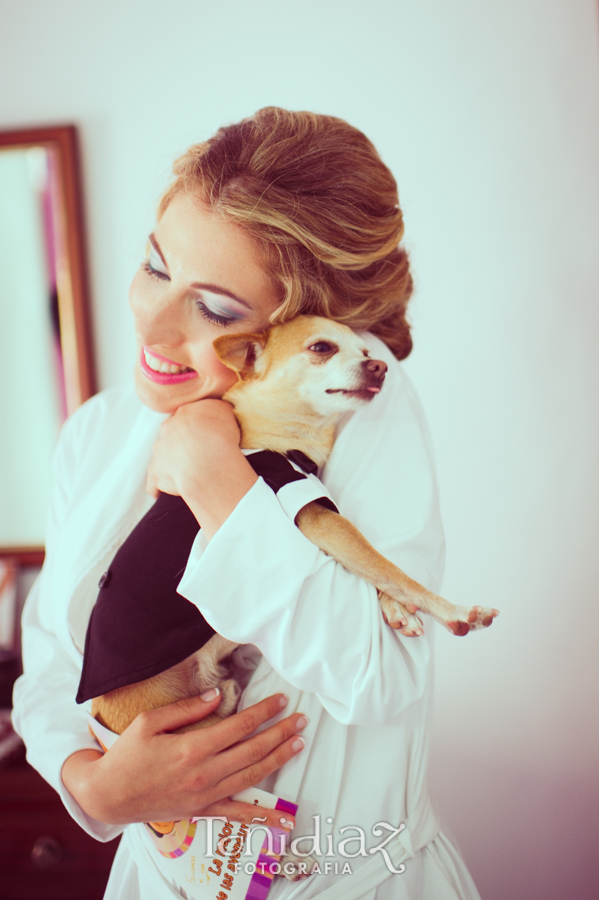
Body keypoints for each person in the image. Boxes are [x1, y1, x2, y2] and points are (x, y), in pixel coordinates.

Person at [12, 107, 482, 899]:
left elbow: (377, 678)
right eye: (157, 266)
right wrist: (88, 786)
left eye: (217, 309)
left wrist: (216, 479)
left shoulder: (362, 422)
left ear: (308, 327)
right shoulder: (96, 433)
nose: (154, 326)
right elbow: (51, 667)